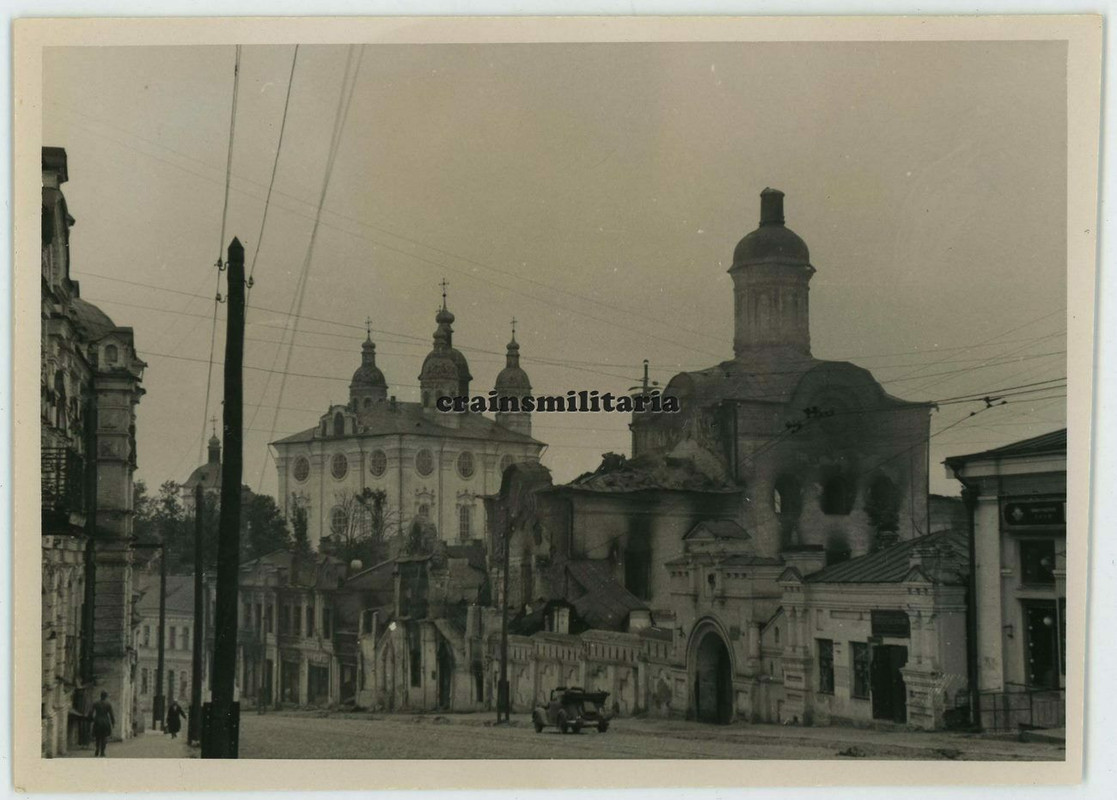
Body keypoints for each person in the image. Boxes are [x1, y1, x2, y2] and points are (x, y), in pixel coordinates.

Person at [89, 691, 114, 757]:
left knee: (97, 737)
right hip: (105, 722)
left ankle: (97, 749)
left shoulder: (96, 703)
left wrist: (91, 719)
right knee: (104, 737)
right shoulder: (108, 704)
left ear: (100, 696)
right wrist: (113, 722)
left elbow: (91, 712)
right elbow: (111, 714)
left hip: (97, 721)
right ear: (106, 696)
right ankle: (102, 752)